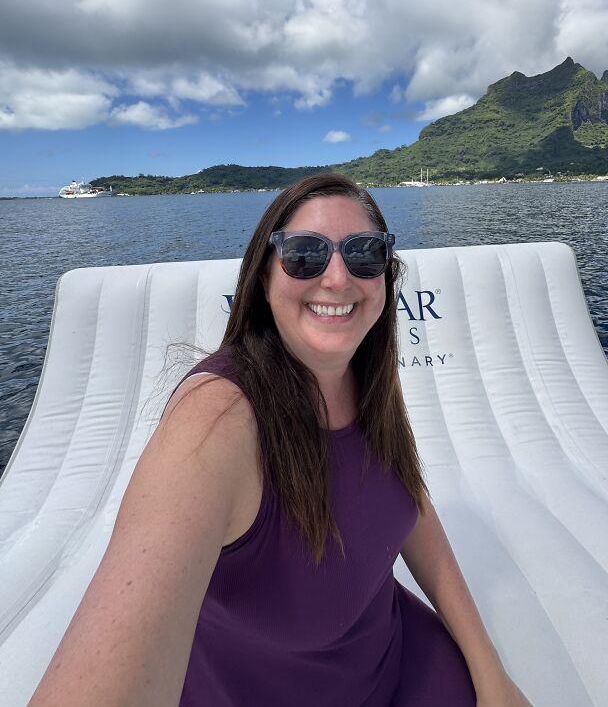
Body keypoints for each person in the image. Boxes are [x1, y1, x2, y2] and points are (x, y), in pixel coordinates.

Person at [28, 173, 532, 707]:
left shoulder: (362, 374)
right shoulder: (216, 423)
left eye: (363, 253)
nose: (337, 277)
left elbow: (408, 500)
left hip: (399, 656)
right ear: (264, 280)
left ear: (385, 275)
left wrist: (489, 671)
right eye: (305, 254)